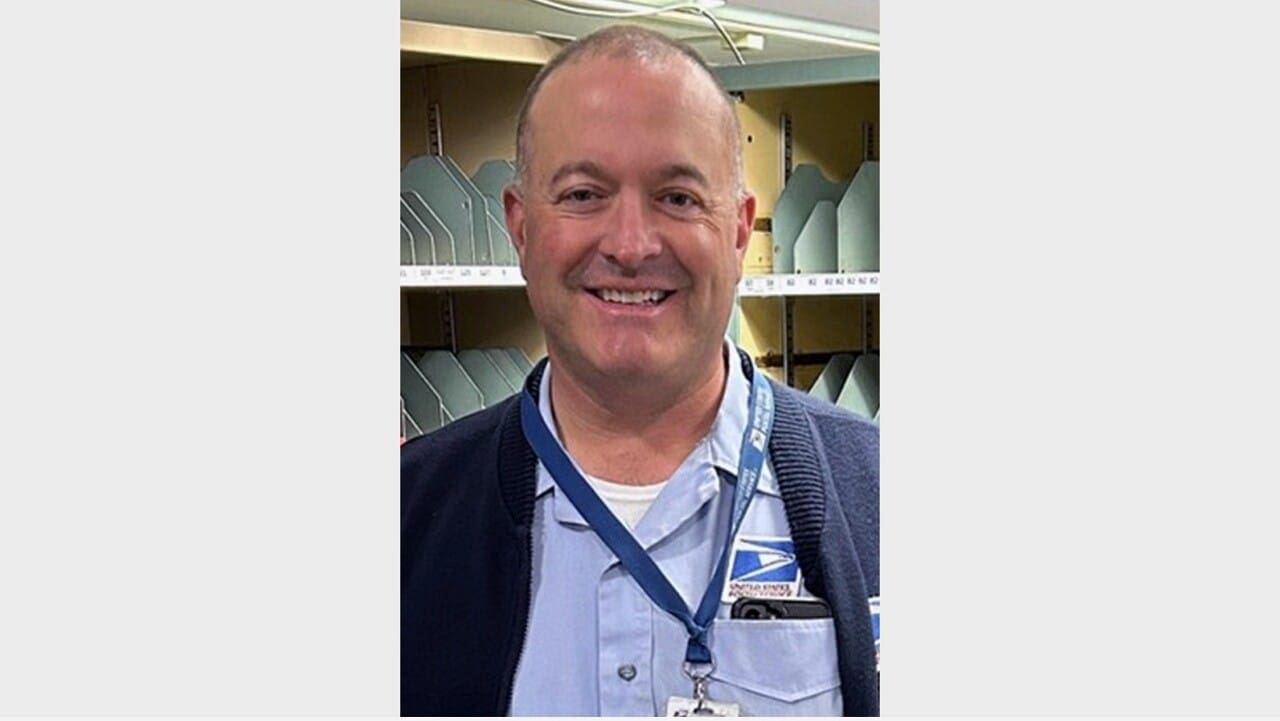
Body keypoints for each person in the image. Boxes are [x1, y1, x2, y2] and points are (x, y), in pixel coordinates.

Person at [401, 24, 879, 717]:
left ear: (739, 229)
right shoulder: (409, 515)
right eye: (583, 194)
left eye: (678, 197)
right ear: (521, 227)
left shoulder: (878, 492)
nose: (630, 246)